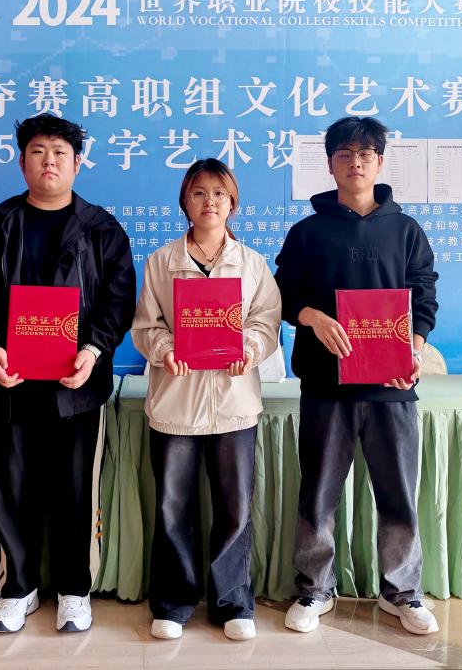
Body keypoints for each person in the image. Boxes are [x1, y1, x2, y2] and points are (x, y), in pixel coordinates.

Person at [0, 113, 136, 633]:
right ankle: (19, 588)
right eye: (38, 152)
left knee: (76, 490)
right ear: (22, 162)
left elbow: (118, 300)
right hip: (11, 385)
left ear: (77, 163)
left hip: (75, 388)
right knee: (13, 488)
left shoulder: (102, 229)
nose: (49, 161)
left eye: (59, 153)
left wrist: (94, 350)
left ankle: (74, 590)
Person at [274, 116, 440, 635]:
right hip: (326, 386)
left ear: (380, 162)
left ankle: (402, 592)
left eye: (366, 153)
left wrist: (413, 348)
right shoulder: (307, 232)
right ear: (330, 164)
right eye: (344, 154)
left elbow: (424, 296)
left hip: (392, 387)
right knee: (319, 494)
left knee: (398, 495)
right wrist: (313, 317)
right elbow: (283, 293)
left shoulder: (406, 230)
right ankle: (315, 589)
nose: (355, 162)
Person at [132, 159, 282, 641]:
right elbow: (146, 325)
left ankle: (233, 603)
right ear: (185, 201)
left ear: (232, 202)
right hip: (176, 403)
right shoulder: (161, 262)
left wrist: (249, 349)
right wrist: (164, 349)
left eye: (219, 193)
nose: (210, 202)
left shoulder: (252, 263)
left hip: (234, 404)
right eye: (199, 193)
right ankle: (173, 603)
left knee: (235, 509)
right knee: (172, 509)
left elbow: (266, 322)